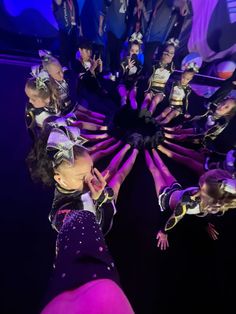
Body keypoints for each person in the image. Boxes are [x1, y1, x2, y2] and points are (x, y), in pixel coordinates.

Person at [26, 125, 136, 313]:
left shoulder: (84, 182)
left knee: (113, 173)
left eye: (91, 169)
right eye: (81, 177)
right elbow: (83, 227)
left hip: (98, 200)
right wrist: (98, 200)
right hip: (99, 220)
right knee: (118, 179)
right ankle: (131, 151)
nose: (90, 179)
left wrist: (98, 195)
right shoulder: (61, 213)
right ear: (60, 179)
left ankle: (130, 148)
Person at [145, 149, 236, 250]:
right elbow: (204, 213)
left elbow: (175, 217)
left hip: (166, 198)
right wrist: (205, 224)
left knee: (155, 171)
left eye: (201, 186)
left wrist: (163, 232)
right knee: (164, 168)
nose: (201, 179)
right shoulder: (212, 203)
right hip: (177, 189)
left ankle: (145, 150)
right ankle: (153, 148)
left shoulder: (189, 203)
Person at [163, 98, 236, 146]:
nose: (222, 107)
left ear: (229, 113)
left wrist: (187, 136)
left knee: (183, 135)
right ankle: (169, 131)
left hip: (205, 140)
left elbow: (205, 135)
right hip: (201, 130)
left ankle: (169, 137)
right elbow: (200, 117)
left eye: (226, 107)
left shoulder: (222, 121)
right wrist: (184, 124)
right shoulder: (213, 109)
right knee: (181, 129)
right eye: (223, 103)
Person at [140, 38, 178, 120]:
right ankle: (140, 116)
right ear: (163, 51)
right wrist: (161, 60)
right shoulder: (155, 64)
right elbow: (151, 70)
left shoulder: (171, 67)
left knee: (154, 102)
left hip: (160, 91)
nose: (168, 54)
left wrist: (168, 59)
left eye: (171, 53)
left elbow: (170, 65)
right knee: (146, 100)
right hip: (150, 88)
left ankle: (148, 117)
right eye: (167, 51)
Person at [52, 0, 82, 69]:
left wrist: (80, 28)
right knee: (64, 47)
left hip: (73, 27)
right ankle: (64, 66)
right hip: (64, 28)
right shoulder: (61, 1)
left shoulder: (73, 1)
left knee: (73, 48)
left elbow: (77, 13)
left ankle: (73, 65)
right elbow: (58, 3)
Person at [118, 40, 142, 109]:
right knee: (124, 97)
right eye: (132, 50)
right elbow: (121, 77)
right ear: (129, 50)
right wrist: (128, 68)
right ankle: (122, 113)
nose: (134, 53)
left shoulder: (139, 64)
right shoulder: (123, 61)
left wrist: (134, 85)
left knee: (132, 98)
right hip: (123, 83)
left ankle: (134, 116)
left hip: (132, 84)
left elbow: (137, 77)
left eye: (136, 51)